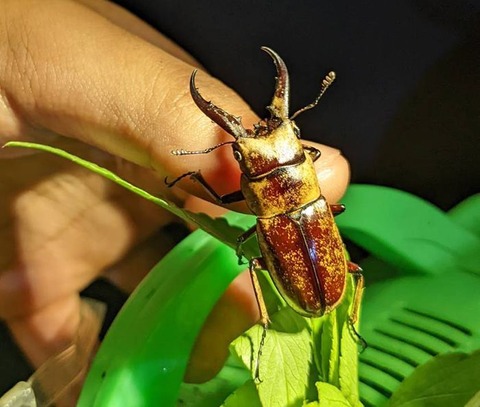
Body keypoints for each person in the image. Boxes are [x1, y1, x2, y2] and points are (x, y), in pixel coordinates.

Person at [0, 0, 350, 399]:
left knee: (254, 261)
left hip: (295, 246)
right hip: (307, 229)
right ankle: (275, 317)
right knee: (263, 267)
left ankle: (273, 318)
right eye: (244, 155)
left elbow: (224, 195)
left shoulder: (269, 217)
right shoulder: (311, 200)